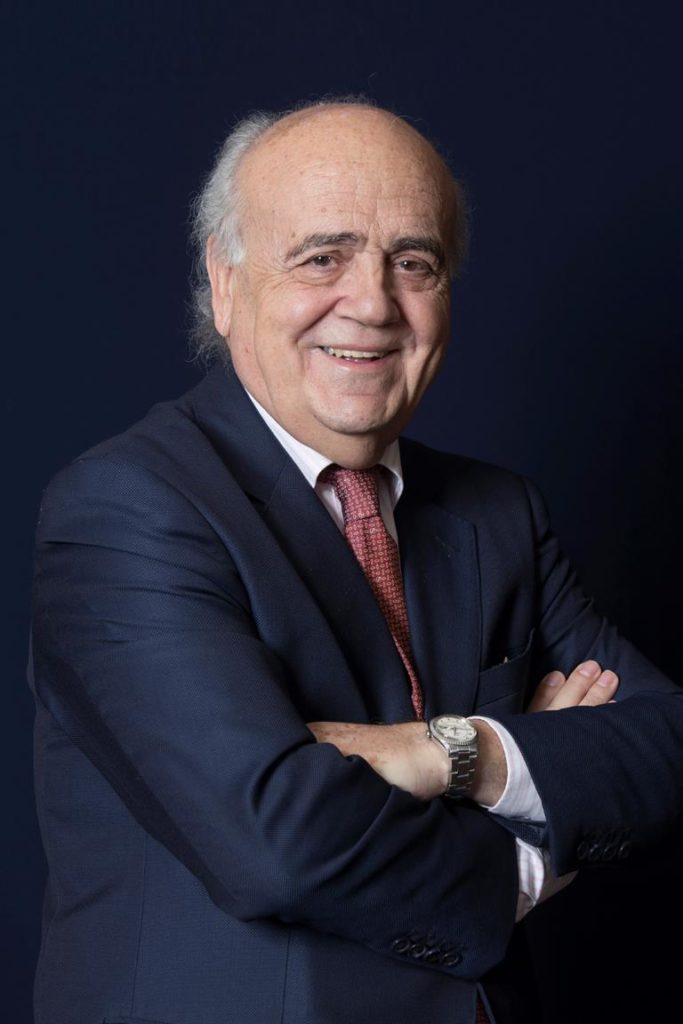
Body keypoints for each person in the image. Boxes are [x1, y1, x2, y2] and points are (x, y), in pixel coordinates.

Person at [29, 99, 683, 1024]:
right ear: (225, 282)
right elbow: (277, 843)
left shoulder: (499, 513)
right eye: (321, 257)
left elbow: (667, 747)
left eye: (414, 262)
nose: (374, 304)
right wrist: (530, 850)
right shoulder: (125, 509)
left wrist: (451, 754)